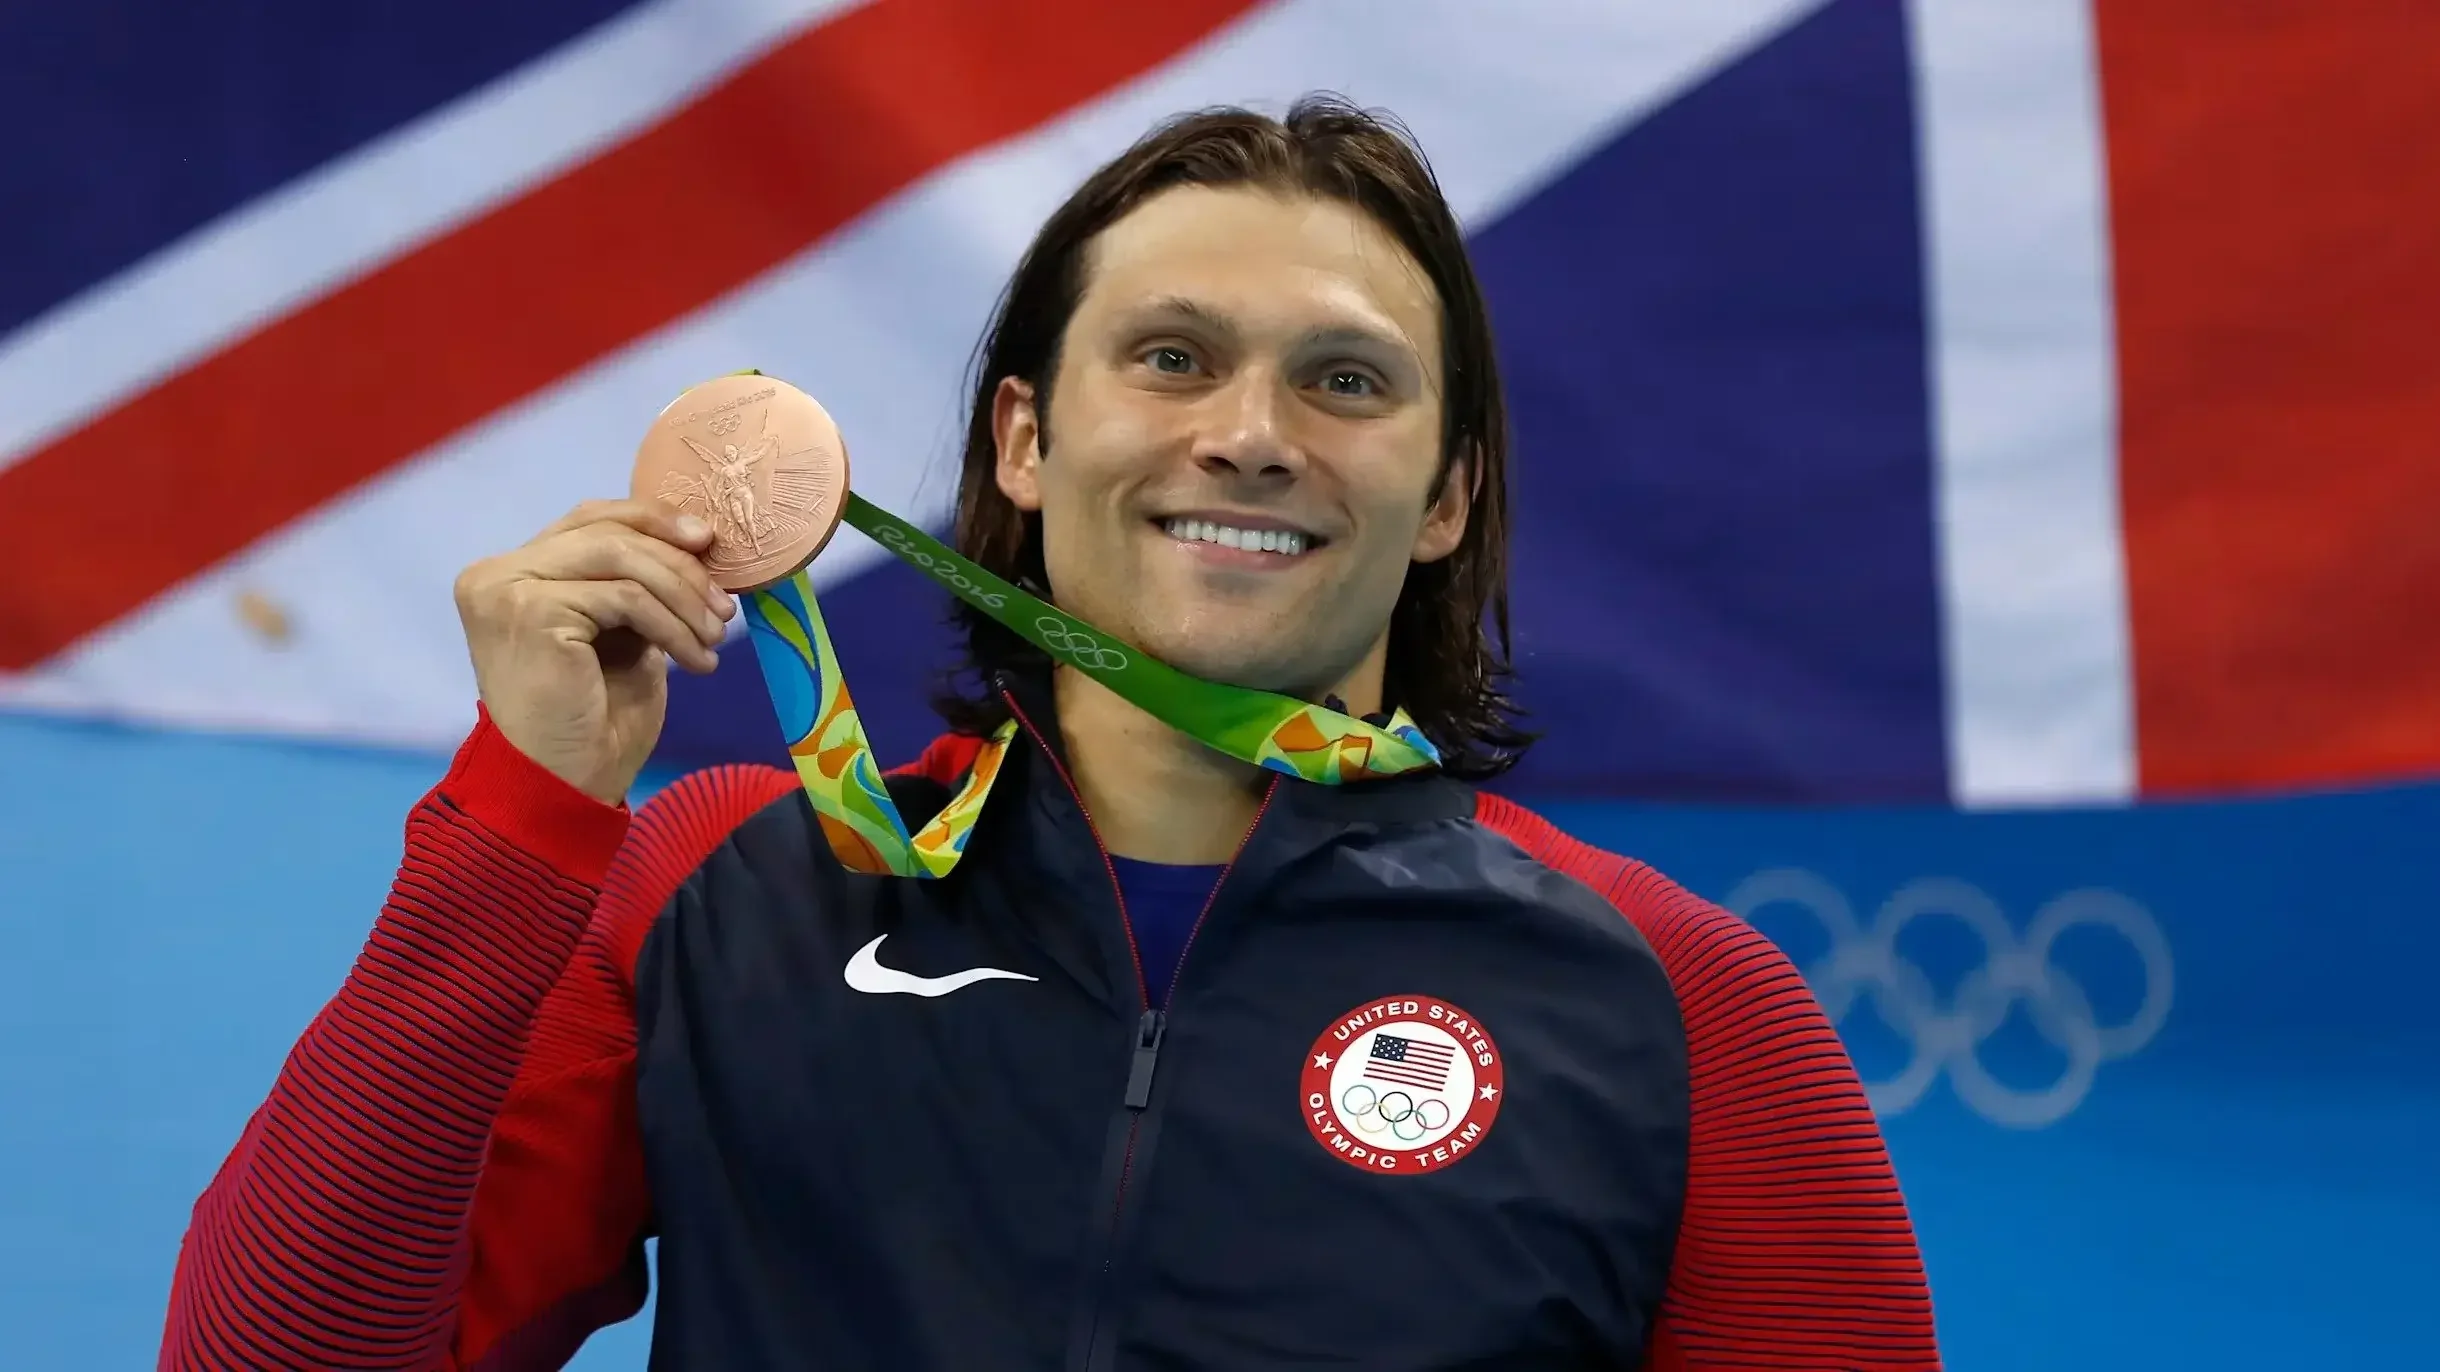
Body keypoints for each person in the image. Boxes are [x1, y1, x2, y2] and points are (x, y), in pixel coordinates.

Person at [159, 97, 1940, 1370]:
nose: (1249, 435)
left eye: (1345, 379)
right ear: (1021, 441)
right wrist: (528, 819)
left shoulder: (1678, 1006)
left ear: (1450, 494)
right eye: (1169, 356)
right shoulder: (724, 889)